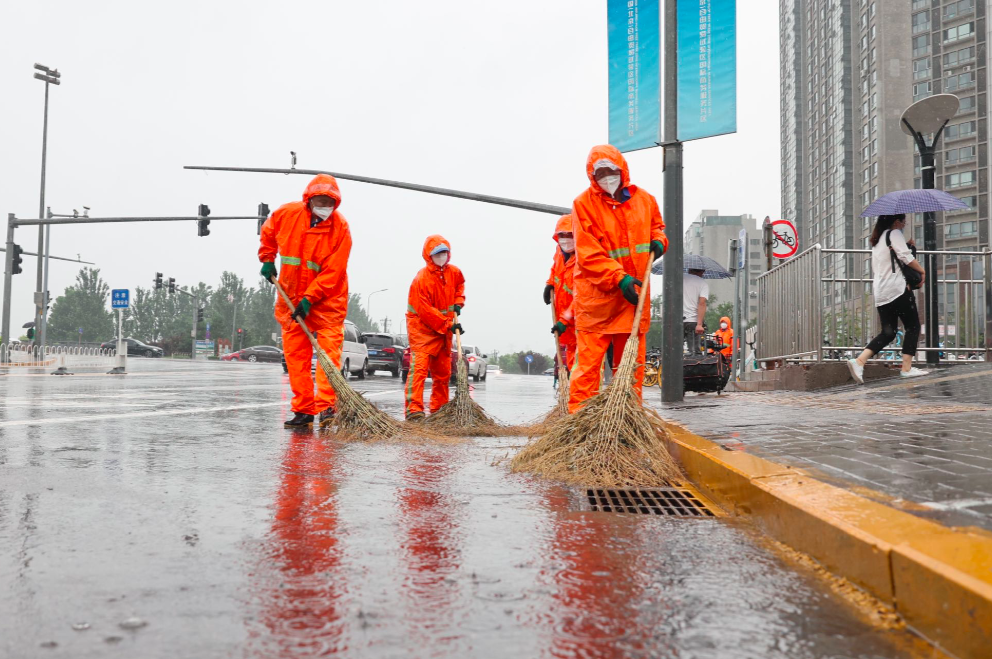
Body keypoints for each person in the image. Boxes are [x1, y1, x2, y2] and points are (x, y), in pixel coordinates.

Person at [568, 144, 667, 413]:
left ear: (622, 169)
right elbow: (588, 254)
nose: (606, 177)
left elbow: (657, 228)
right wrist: (618, 279)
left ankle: (628, 418)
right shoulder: (583, 204)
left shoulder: (644, 200)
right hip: (597, 300)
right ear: (591, 176)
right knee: (588, 368)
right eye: (599, 173)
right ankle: (578, 423)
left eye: (611, 170)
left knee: (630, 367)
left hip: (632, 296)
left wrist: (659, 242)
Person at [259, 174, 352, 428]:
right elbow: (268, 232)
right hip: (290, 299)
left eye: (329, 202)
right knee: (296, 360)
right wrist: (267, 259)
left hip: (327, 304)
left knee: (327, 359)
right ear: (309, 199)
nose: (325, 206)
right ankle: (303, 411)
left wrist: (310, 298)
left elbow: (333, 271)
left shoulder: (340, 229)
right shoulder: (287, 214)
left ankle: (327, 408)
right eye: (320, 200)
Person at [847, 213, 928, 383]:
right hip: (897, 289)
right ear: (896, 221)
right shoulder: (894, 234)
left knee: (888, 332)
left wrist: (906, 246)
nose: (904, 225)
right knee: (913, 327)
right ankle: (906, 369)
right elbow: (906, 258)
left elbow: (890, 259)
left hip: (881, 292)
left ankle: (859, 361)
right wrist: (922, 270)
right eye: (903, 221)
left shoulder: (878, 240)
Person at [405, 235, 466, 421]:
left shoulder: (454, 273)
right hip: (422, 331)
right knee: (420, 371)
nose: (441, 256)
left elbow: (459, 287)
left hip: (443, 332)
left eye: (444, 253)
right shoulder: (421, 279)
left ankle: (439, 409)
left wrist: (458, 303)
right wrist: (449, 325)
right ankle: (414, 410)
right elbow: (425, 311)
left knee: (442, 373)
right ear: (428, 255)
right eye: (437, 253)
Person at [544, 214, 577, 371]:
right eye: (561, 235)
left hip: (581, 322)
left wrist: (564, 321)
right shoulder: (559, 252)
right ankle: (572, 391)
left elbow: (582, 296)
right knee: (572, 362)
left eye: (569, 234)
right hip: (565, 320)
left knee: (583, 366)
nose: (565, 239)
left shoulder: (583, 259)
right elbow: (555, 271)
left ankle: (583, 394)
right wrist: (550, 284)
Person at [683, 268, 708, 355]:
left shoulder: (679, 278)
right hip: (693, 322)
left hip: (677, 321)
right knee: (694, 353)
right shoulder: (702, 283)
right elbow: (702, 303)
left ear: (689, 270)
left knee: (674, 353)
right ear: (701, 271)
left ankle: (676, 368)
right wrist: (699, 325)